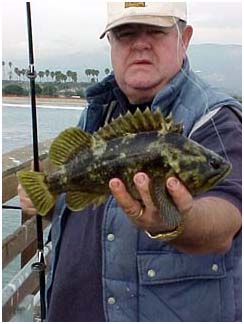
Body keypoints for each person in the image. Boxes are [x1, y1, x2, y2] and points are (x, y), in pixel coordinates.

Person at [18, 2, 242, 322]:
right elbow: (87, 199)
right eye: (125, 34)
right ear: (111, 43)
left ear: (184, 38)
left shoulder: (214, 118)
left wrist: (177, 221)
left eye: (155, 31)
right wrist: (47, 197)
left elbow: (226, 220)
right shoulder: (98, 112)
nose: (140, 43)